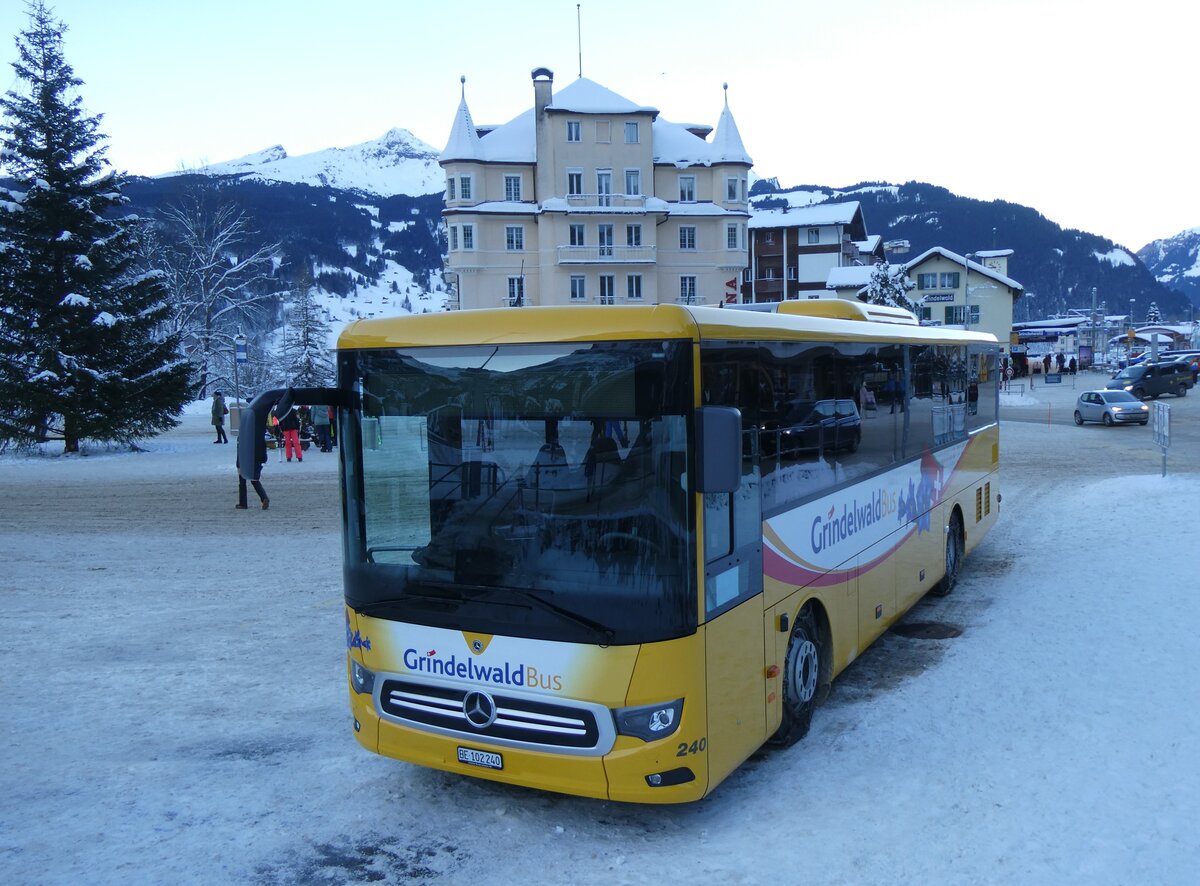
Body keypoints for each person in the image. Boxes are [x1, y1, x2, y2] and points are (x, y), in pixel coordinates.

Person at [235, 428, 269, 510]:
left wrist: (238, 464)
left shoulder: (242, 436)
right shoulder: (258, 435)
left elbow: (240, 450)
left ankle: (243, 503)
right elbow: (263, 449)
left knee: (242, 482)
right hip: (255, 461)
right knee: (255, 481)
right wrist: (263, 460)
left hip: (244, 461)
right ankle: (264, 497)